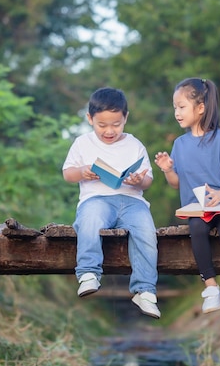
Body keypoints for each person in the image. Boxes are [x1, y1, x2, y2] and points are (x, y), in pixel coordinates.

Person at [154, 77, 220, 324]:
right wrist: (167, 169)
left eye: (181, 106)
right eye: (174, 107)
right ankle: (211, 288)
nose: (177, 112)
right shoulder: (180, 144)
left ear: (201, 107)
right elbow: (176, 183)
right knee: (196, 228)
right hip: (199, 211)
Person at [62, 87, 160, 319]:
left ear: (125, 117)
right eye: (102, 125)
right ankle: (88, 273)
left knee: (146, 232)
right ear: (90, 119)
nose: (109, 131)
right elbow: (68, 174)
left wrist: (138, 180)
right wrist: (83, 171)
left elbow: (147, 181)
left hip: (132, 201)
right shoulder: (82, 143)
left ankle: (145, 290)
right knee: (90, 219)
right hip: (96, 199)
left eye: (116, 124)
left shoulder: (134, 144)